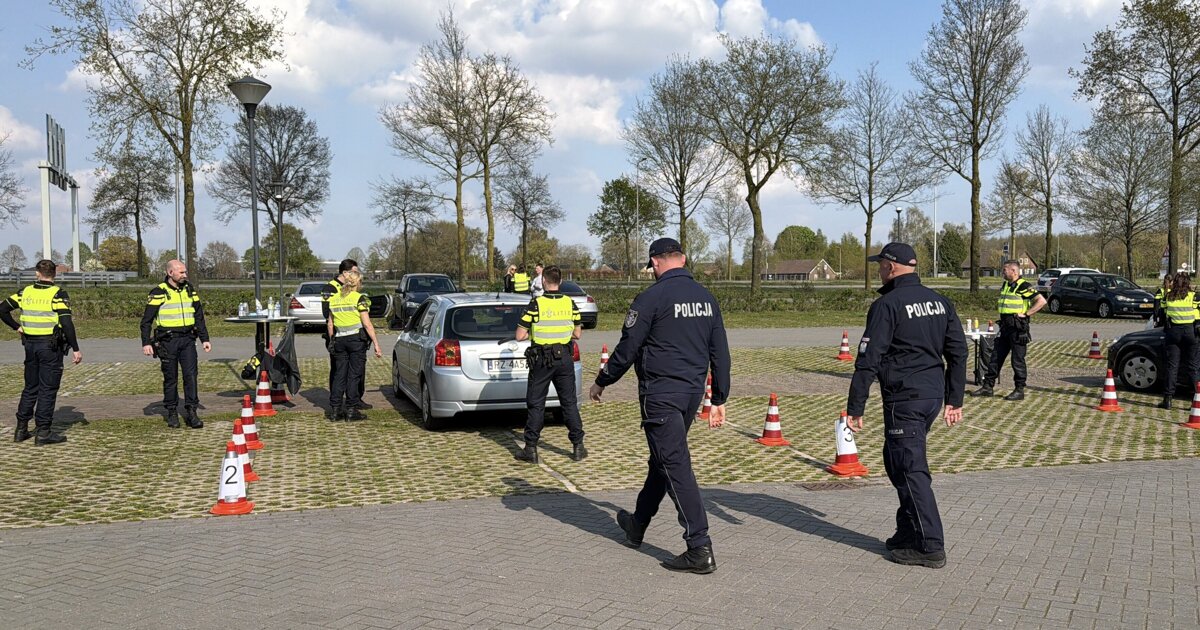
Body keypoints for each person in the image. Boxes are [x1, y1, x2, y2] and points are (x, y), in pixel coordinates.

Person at [589, 237, 731, 575]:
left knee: (675, 465)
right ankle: (637, 524)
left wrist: (602, 380)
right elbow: (721, 354)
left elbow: (628, 348)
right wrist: (719, 398)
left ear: (655, 263)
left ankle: (699, 546)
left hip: (661, 395)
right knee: (663, 461)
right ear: (682, 258)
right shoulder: (707, 299)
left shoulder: (651, 298)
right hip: (691, 394)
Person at [846, 242, 967, 569]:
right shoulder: (941, 302)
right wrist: (954, 398)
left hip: (906, 399)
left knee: (911, 469)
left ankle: (930, 545)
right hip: (931, 397)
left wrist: (855, 407)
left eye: (881, 265)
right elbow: (958, 352)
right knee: (895, 460)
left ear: (891, 266)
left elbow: (867, 359)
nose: (879, 271)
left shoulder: (888, 305)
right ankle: (907, 531)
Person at [0, 259, 83, 445]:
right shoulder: (57, 294)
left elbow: (2, 310)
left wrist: (17, 327)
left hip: (30, 345)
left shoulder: (25, 292)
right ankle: (43, 432)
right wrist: (76, 348)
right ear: (55, 274)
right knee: (48, 388)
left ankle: (21, 429)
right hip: (50, 347)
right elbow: (67, 323)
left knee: (30, 387)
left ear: (37, 273)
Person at [514, 265, 587, 463]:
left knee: (537, 403)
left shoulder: (536, 304)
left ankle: (531, 448)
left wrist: (534, 333)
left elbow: (520, 335)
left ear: (544, 281)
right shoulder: (570, 304)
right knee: (569, 402)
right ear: (560, 281)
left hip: (541, 359)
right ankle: (578, 446)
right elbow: (578, 334)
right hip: (564, 357)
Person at [141, 260, 211, 429]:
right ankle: (172, 412)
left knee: (190, 376)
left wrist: (205, 339)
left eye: (185, 272)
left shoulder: (189, 289)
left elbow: (199, 315)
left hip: (188, 339)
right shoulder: (159, 291)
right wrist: (146, 343)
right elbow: (146, 321)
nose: (185, 275)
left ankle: (191, 412)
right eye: (181, 272)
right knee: (170, 378)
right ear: (170, 273)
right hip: (168, 341)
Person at [969, 260, 1045, 401]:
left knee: (1017, 360)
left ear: (1014, 271)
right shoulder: (1006, 285)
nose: (1002, 272)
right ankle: (988, 386)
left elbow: (1041, 301)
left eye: (1005, 270)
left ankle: (1019, 390)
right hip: (1005, 327)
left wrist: (1027, 314)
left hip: (1018, 329)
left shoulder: (1024, 286)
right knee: (996, 357)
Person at [326, 270, 382, 421]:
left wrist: (332, 340)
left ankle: (336, 410)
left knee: (339, 375)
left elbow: (330, 324)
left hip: (339, 340)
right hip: (356, 341)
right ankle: (351, 410)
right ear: (357, 283)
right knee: (354, 375)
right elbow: (367, 324)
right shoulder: (359, 298)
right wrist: (376, 344)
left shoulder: (334, 299)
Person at [322, 259, 369, 409]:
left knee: (356, 371)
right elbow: (326, 313)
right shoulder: (330, 288)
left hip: (354, 334)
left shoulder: (353, 288)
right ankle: (337, 401)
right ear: (345, 272)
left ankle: (355, 399)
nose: (356, 274)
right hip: (338, 335)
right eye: (354, 271)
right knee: (338, 371)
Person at [1157, 272, 1199, 409]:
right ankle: (1197, 400)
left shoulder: (1168, 296)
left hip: (1173, 332)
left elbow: (1161, 315)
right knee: (1193, 367)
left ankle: (1168, 400)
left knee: (1172, 366)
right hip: (1191, 333)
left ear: (1174, 282)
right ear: (1188, 283)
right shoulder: (1194, 297)